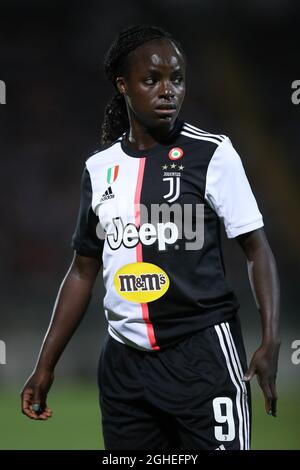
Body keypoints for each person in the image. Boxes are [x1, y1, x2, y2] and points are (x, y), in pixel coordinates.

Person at [21, 24, 280, 450]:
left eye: (176, 79)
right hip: (125, 367)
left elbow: (257, 250)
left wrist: (270, 340)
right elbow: (83, 271)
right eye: (152, 80)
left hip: (203, 356)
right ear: (123, 85)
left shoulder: (213, 153)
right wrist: (45, 365)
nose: (168, 91)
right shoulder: (99, 168)